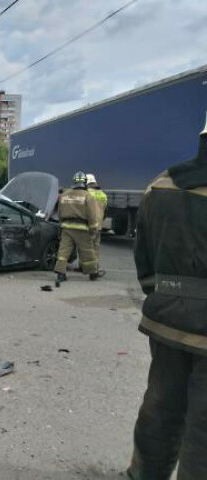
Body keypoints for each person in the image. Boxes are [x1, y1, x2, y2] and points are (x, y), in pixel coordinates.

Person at [127, 122, 207, 479]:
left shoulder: (161, 185)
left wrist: (166, 294)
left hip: (167, 321)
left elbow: (142, 254)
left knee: (161, 408)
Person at [53, 171, 102, 282]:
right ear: (84, 182)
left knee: (63, 252)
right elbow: (92, 215)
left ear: (74, 181)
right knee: (88, 251)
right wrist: (93, 230)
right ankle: (93, 273)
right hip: (82, 229)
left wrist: (61, 226)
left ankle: (60, 274)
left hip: (66, 228)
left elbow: (60, 213)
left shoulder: (64, 195)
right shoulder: (87, 196)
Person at [86, 173, 107, 265]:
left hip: (88, 224)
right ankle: (95, 267)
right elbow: (105, 211)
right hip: (98, 225)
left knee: (85, 247)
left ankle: (84, 267)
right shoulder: (103, 194)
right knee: (96, 247)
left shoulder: (86, 193)